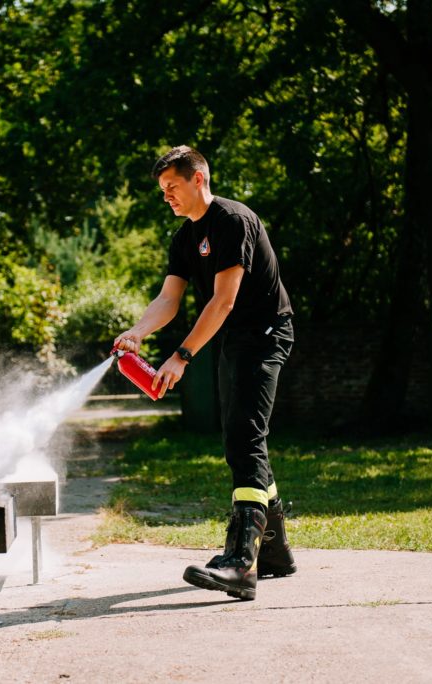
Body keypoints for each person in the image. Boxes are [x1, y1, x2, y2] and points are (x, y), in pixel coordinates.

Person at [113, 145, 296, 601]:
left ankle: (241, 564)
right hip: (233, 341)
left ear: (199, 179)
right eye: (162, 190)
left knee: (244, 437)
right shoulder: (183, 239)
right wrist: (136, 332)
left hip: (266, 334)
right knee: (241, 437)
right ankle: (275, 553)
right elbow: (168, 300)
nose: (167, 197)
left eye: (172, 186)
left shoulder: (234, 221)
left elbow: (223, 300)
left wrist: (182, 356)